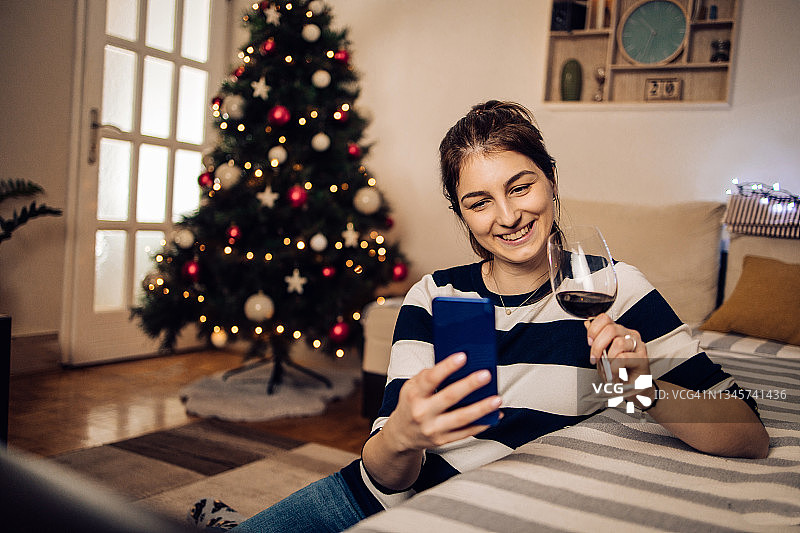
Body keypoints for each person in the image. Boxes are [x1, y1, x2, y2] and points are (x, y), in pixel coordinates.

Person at [198, 100, 769, 532]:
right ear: (463, 214)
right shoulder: (433, 296)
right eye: (479, 201)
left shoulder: (612, 287)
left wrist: (636, 388)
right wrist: (402, 432)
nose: (508, 216)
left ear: (551, 183)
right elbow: (384, 471)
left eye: (520, 187)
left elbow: (747, 437)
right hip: (377, 495)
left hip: (472, 511)